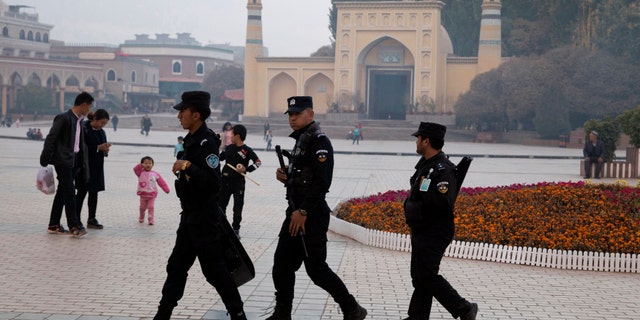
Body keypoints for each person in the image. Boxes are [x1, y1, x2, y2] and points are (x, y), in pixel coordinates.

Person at [268, 96, 367, 320]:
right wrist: (286, 176)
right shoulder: (302, 139)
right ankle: (282, 314)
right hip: (294, 212)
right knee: (282, 266)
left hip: (310, 215)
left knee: (316, 269)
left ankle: (352, 309)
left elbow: (322, 183)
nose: (292, 118)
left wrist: (303, 212)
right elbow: (305, 177)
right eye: (290, 114)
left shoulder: (320, 142)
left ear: (310, 115)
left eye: (297, 114)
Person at [154, 91, 247, 320]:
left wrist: (187, 166)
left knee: (215, 273)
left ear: (196, 115)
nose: (179, 117)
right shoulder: (191, 140)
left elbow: (214, 183)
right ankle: (163, 314)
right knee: (176, 267)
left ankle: (238, 313)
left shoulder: (206, 143)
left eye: (182, 112)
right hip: (190, 217)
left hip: (205, 221)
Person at [403, 122, 478, 320]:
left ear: (426, 141)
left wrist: (422, 200)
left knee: (427, 275)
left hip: (435, 230)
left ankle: (464, 308)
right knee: (420, 276)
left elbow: (443, 203)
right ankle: (417, 317)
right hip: (422, 228)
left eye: (418, 138)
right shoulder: (426, 166)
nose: (416, 142)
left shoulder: (442, 170)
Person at [39, 91, 93, 238]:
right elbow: (51, 138)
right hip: (62, 161)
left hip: (73, 161)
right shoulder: (64, 118)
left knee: (63, 192)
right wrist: (44, 159)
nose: (89, 110)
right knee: (70, 192)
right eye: (88, 107)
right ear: (82, 105)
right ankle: (74, 226)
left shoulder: (78, 121)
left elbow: (79, 144)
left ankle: (54, 224)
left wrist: (81, 162)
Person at [219, 124, 262, 238]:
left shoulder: (246, 150)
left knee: (238, 207)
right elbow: (219, 158)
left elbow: (258, 162)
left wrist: (246, 169)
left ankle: (236, 229)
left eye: (232, 134)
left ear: (237, 136)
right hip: (225, 181)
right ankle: (222, 226)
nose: (230, 136)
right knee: (221, 204)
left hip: (238, 183)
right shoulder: (229, 148)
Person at [75, 109, 111, 229]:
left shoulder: (102, 132)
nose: (102, 126)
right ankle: (76, 219)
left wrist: (105, 150)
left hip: (97, 167)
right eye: (101, 123)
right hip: (85, 167)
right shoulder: (84, 129)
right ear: (95, 119)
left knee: (94, 193)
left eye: (104, 124)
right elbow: (80, 148)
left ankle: (92, 218)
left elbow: (102, 148)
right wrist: (96, 148)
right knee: (81, 193)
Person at [133, 156, 170, 225]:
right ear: (142, 165)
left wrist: (166, 189)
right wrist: (140, 165)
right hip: (143, 194)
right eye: (146, 163)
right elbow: (135, 169)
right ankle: (141, 217)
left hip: (152, 194)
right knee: (142, 207)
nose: (148, 165)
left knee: (151, 207)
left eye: (150, 163)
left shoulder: (155, 174)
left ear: (152, 165)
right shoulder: (140, 173)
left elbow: (161, 182)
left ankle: (151, 219)